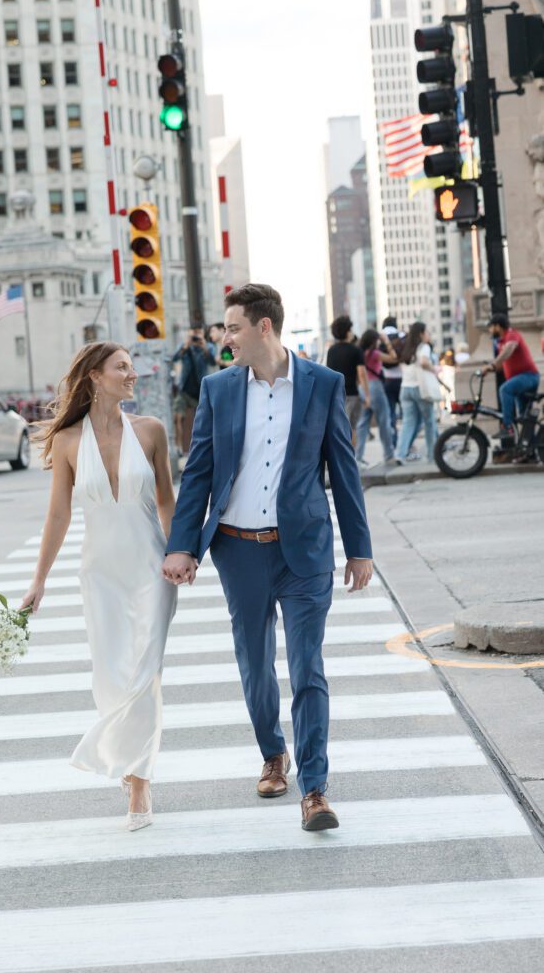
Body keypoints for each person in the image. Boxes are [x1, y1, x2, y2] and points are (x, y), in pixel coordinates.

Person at [162, 283, 373, 833]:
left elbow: (343, 471)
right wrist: (183, 545)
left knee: (307, 668)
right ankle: (271, 752)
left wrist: (359, 549)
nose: (223, 337)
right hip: (237, 548)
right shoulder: (219, 388)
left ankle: (316, 789)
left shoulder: (322, 385)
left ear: (263, 328)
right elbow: (200, 473)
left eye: (232, 327)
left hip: (303, 549)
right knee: (255, 664)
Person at [22, 342, 178, 831]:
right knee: (112, 673)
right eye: (123, 367)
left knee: (144, 674)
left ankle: (139, 784)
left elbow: (168, 500)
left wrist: (180, 554)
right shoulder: (68, 441)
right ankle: (128, 761)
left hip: (152, 567)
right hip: (101, 572)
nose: (133, 374)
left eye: (132, 366)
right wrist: (39, 580)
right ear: (94, 376)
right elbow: (58, 514)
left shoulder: (150, 431)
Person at [481, 314, 541, 450]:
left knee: (505, 389)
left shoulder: (511, 335)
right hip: (521, 380)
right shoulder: (502, 342)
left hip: (528, 377)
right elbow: (502, 364)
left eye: (490, 327)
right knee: (525, 418)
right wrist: (488, 369)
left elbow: (509, 350)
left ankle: (507, 427)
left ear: (497, 326)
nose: (490, 331)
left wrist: (492, 364)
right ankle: (529, 452)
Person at [394, 322, 443, 464]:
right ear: (421, 333)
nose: (429, 335)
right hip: (420, 389)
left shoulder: (407, 347)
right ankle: (432, 455)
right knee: (429, 422)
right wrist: (434, 369)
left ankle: (400, 454)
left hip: (405, 388)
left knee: (407, 423)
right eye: (427, 332)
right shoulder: (424, 347)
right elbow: (423, 362)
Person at [355, 329, 396, 465]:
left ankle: (358, 457)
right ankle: (389, 454)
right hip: (375, 387)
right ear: (374, 340)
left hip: (362, 387)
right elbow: (393, 357)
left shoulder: (360, 353)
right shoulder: (375, 354)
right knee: (384, 421)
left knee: (362, 423)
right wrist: (387, 342)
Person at [172, 326, 216, 454]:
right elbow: (174, 358)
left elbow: (213, 362)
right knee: (178, 417)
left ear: (202, 334)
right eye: (194, 334)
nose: (196, 337)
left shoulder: (208, 346)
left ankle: (204, 447)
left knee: (204, 421)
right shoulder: (184, 346)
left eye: (198, 333)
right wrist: (185, 346)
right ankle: (179, 448)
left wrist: (204, 347)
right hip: (184, 389)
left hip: (201, 390)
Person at [326, 315, 369, 445]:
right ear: (347, 331)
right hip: (351, 394)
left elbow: (329, 374)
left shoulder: (331, 351)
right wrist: (367, 395)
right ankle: (351, 461)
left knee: (339, 430)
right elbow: (361, 374)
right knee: (351, 429)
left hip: (336, 396)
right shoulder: (356, 350)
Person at [380, 316, 404, 448]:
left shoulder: (380, 336)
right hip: (401, 379)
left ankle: (394, 442)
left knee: (391, 414)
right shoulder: (401, 335)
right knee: (407, 414)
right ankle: (405, 443)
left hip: (387, 380)